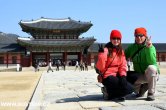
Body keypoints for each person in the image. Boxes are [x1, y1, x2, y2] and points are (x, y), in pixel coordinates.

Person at [96, 30, 133, 100]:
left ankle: (109, 92)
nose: (116, 40)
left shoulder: (121, 51)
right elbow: (100, 67)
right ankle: (115, 93)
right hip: (107, 76)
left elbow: (123, 65)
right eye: (114, 38)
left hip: (117, 75)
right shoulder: (106, 50)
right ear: (110, 39)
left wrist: (123, 76)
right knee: (118, 84)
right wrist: (101, 55)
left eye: (118, 39)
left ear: (120, 40)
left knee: (130, 89)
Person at [125, 27, 160, 101]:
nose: (139, 38)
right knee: (125, 78)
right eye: (136, 36)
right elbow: (122, 56)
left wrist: (148, 48)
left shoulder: (151, 47)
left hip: (150, 74)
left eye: (141, 35)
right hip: (139, 74)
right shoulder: (131, 48)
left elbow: (152, 62)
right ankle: (142, 88)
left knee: (152, 68)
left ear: (145, 36)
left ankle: (151, 93)